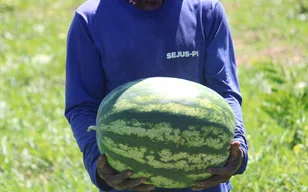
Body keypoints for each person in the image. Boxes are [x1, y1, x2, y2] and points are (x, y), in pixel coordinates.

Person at [64, 0, 248, 191]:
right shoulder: (89, 20)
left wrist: (238, 147)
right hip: (128, 181)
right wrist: (98, 162)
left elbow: (225, 92)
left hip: (204, 182)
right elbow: (82, 105)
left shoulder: (206, 11)